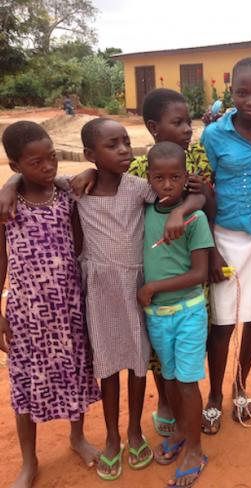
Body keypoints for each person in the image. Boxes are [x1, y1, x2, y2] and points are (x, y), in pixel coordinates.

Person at [76, 118, 205, 480]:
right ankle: (113, 438)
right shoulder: (79, 190)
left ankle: (134, 430)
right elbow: (32, 180)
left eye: (125, 143)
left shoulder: (139, 188)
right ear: (90, 154)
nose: (123, 150)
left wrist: (181, 208)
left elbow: (190, 194)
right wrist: (10, 183)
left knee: (137, 361)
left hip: (138, 289)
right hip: (100, 292)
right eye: (112, 145)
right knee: (107, 363)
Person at [0, 121, 100, 487]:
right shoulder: (6, 207)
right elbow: (2, 262)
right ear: (15, 166)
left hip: (69, 306)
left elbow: (77, 245)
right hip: (27, 312)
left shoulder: (66, 196)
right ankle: (29, 460)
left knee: (75, 373)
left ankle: (78, 437)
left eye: (52, 158)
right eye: (35, 163)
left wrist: (85, 169)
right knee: (24, 383)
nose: (48, 168)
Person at [128, 88, 214, 438]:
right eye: (177, 122)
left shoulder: (196, 159)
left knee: (184, 356)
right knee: (159, 358)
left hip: (187, 274)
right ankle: (166, 403)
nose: (187, 129)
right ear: (153, 127)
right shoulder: (135, 169)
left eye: (188, 122)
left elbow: (208, 197)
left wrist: (191, 200)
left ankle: (185, 417)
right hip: (150, 269)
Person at [200, 57, 251, 434]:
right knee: (224, 319)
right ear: (230, 93)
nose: (250, 99)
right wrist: (211, 248)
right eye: (242, 92)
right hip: (225, 236)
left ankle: (240, 386)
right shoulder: (213, 135)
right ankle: (214, 394)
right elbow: (203, 189)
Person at [139, 141, 213, 487]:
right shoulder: (143, 212)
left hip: (187, 312)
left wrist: (154, 288)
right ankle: (183, 433)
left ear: (186, 177)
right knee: (169, 378)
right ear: (149, 178)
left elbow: (200, 274)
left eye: (175, 177)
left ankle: (195, 449)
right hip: (157, 316)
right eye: (159, 178)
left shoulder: (194, 218)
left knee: (186, 383)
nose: (167, 185)